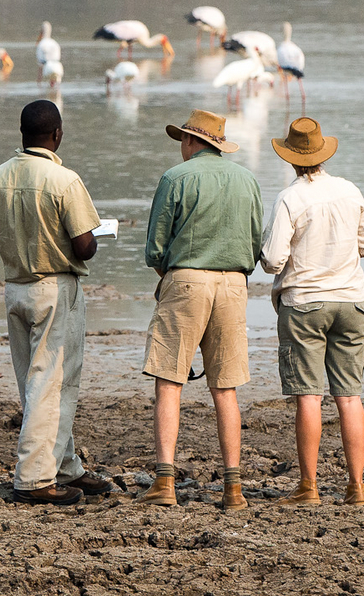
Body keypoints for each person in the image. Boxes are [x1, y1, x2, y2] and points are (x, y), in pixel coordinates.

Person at [0, 99, 115, 505]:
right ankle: (35, 478)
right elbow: (83, 246)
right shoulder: (65, 180)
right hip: (54, 289)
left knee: (35, 382)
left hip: (15, 287)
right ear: (57, 135)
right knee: (54, 380)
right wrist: (97, 235)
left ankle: (65, 465)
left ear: (23, 134)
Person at [140, 109, 264, 510]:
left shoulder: (175, 178)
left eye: (182, 139)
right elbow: (255, 243)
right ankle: (233, 489)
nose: (180, 145)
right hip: (233, 284)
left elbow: (155, 248)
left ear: (193, 142)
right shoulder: (247, 180)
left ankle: (164, 482)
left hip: (186, 280)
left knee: (169, 380)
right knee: (224, 388)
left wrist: (173, 272)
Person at [259, 117, 364, 508]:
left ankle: (308, 487)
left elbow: (274, 261)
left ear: (292, 158)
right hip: (351, 301)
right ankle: (356, 487)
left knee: (309, 397)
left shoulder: (289, 198)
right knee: (349, 396)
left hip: (305, 304)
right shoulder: (349, 190)